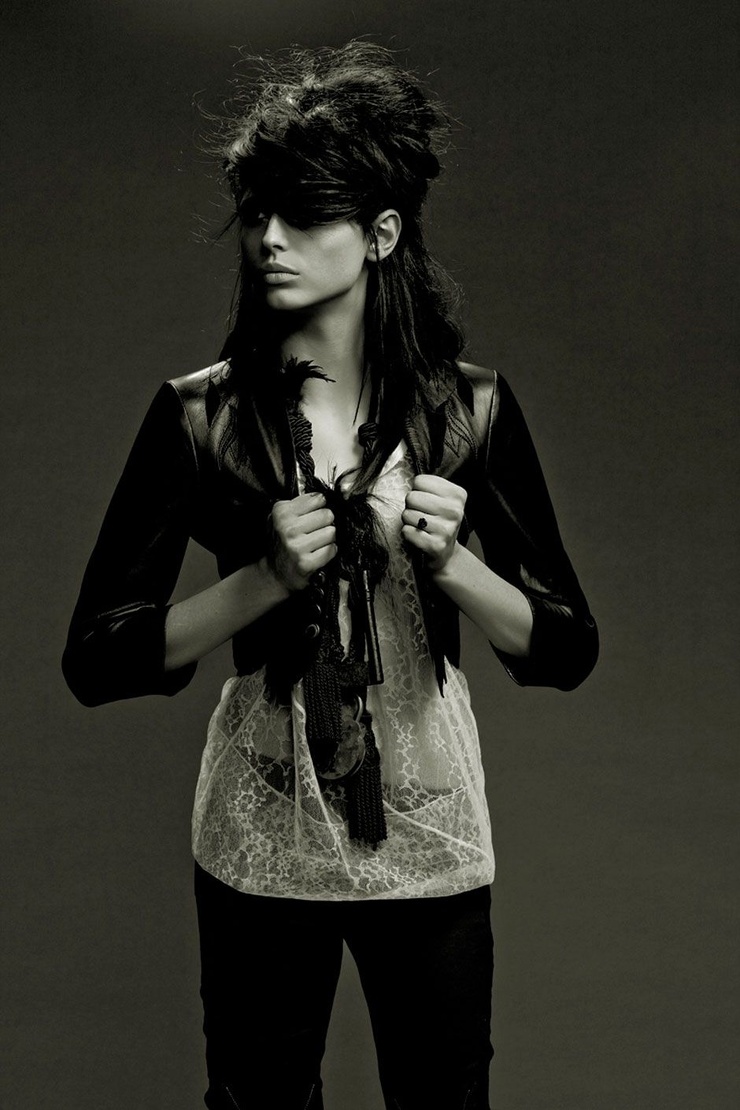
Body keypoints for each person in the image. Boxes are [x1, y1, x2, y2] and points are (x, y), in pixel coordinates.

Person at [63, 41, 598, 1110]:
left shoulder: (470, 411)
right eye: (258, 211)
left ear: (380, 234)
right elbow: (95, 658)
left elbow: (567, 647)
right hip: (262, 827)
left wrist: (454, 568)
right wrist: (256, 583)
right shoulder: (201, 418)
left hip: (431, 827)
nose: (269, 237)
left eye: (305, 214)